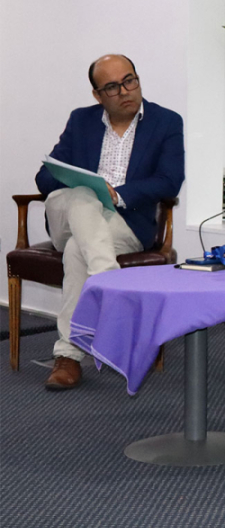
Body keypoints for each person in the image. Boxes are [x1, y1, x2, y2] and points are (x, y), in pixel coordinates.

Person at [36, 54, 186, 390]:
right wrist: (82, 184)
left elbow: (170, 180)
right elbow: (44, 178)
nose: (125, 90)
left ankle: (68, 356)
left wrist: (116, 195)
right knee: (83, 197)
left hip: (124, 223)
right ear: (98, 95)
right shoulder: (81, 121)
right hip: (68, 218)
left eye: (130, 80)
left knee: (78, 250)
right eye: (112, 87)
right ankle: (112, 286)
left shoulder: (166, 122)